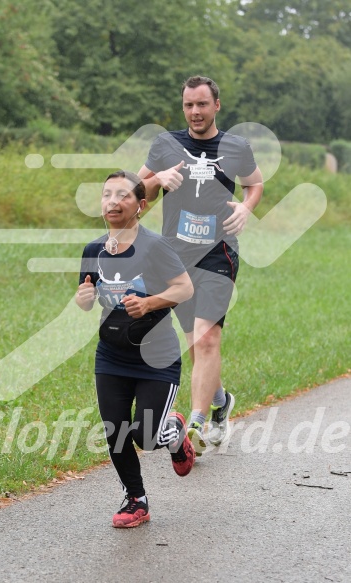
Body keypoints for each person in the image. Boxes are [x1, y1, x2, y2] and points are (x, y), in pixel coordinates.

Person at [138, 76, 263, 455]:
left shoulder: (237, 147)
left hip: (218, 252)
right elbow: (136, 191)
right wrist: (157, 179)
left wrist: (245, 207)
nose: (195, 112)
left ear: (216, 106)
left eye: (202, 104)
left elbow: (254, 184)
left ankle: (194, 423)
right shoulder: (165, 144)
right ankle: (221, 402)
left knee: (208, 338)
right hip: (174, 257)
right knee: (196, 341)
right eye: (189, 105)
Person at [76, 170, 195, 528]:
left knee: (145, 435)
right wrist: (83, 299)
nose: (113, 201)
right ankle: (136, 499)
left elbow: (185, 288)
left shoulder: (155, 247)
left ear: (140, 206)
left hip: (156, 358)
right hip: (111, 354)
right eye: (107, 194)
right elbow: (87, 297)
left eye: (123, 195)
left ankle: (172, 432)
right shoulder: (93, 250)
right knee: (115, 430)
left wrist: (151, 302)